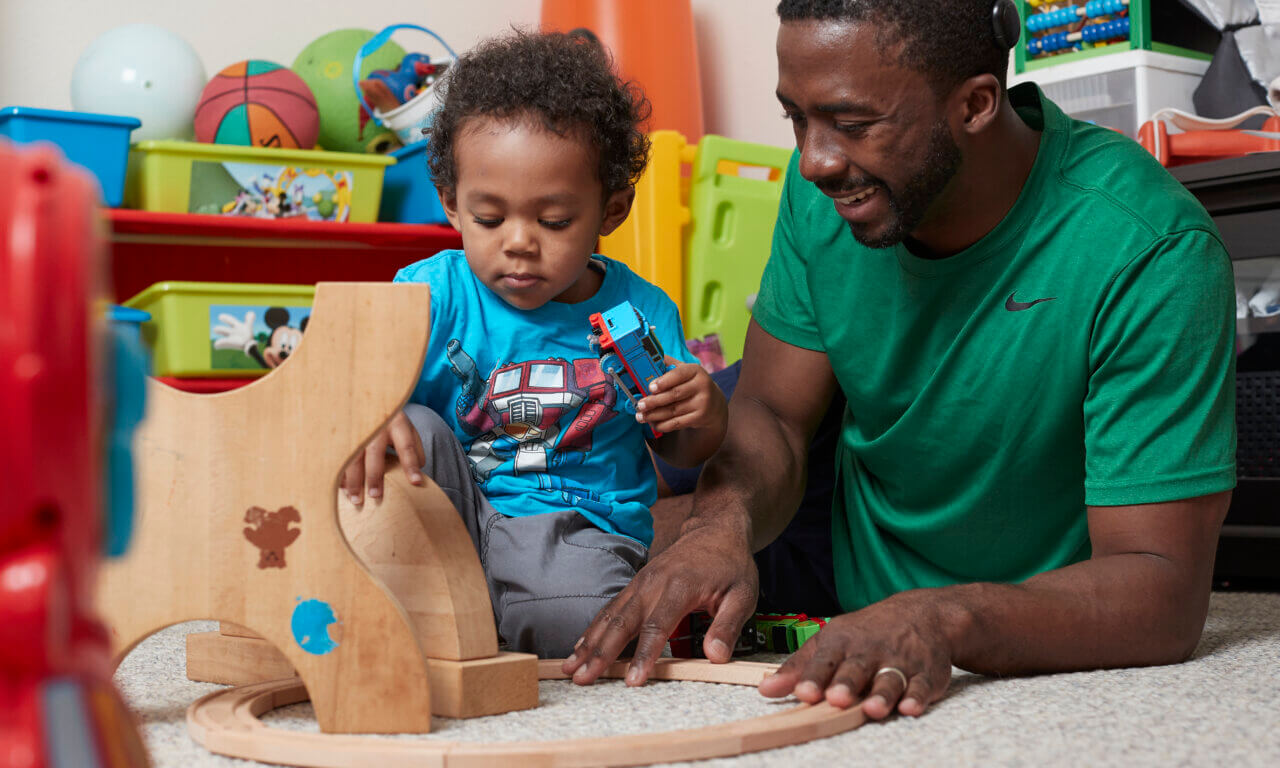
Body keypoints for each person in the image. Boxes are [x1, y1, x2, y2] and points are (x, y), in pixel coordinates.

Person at [563, 0, 1237, 722]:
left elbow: (1161, 592)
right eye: (796, 116)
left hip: (1009, 594)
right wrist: (717, 530)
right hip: (842, 503)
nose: (815, 160)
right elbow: (773, 412)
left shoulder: (1146, 250)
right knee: (587, 522)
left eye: (852, 125)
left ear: (976, 104)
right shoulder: (827, 188)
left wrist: (944, 621)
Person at [340, 30, 728, 658]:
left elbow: (682, 450)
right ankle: (448, 605)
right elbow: (341, 372)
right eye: (489, 218)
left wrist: (701, 414)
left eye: (553, 221)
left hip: (575, 526)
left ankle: (481, 621)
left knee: (585, 629)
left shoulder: (641, 312)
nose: (518, 242)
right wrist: (367, 412)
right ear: (452, 205)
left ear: (612, 211)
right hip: (449, 510)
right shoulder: (430, 291)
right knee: (398, 421)